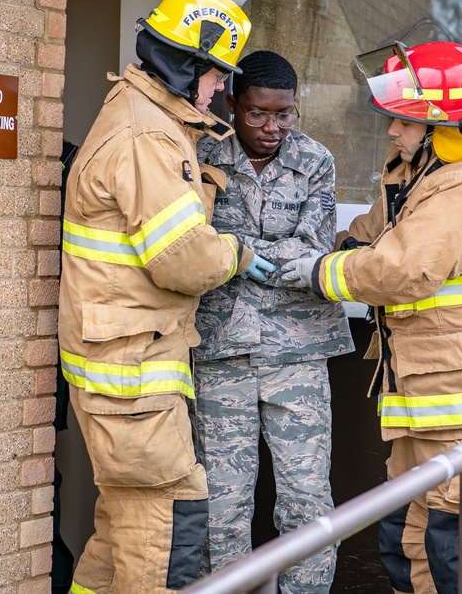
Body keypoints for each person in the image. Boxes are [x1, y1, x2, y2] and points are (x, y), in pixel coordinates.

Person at [282, 40, 462, 594]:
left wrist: (314, 273)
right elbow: (372, 236)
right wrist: (320, 247)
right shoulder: (425, 173)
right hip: (429, 407)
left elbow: (400, 270)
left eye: (404, 121)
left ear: (442, 126)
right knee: (409, 551)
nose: (392, 132)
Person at [57, 0, 277, 594]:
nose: (220, 92)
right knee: (169, 526)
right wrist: (234, 253)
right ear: (191, 66)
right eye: (217, 76)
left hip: (124, 368)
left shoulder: (140, 117)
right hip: (133, 376)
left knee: (125, 527)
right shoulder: (149, 135)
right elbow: (182, 258)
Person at [192, 50, 355, 593]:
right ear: (235, 104)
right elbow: (190, 244)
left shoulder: (315, 160)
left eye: (285, 115)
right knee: (221, 503)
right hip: (221, 349)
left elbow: (306, 251)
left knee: (307, 500)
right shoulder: (202, 154)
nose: (272, 127)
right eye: (259, 113)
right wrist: (229, 251)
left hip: (299, 351)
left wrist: (232, 251)